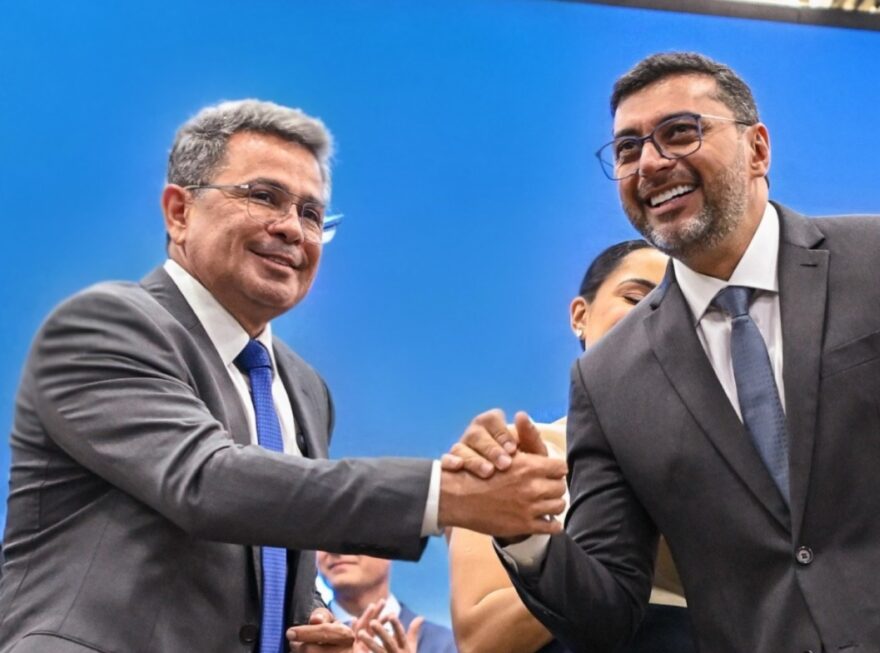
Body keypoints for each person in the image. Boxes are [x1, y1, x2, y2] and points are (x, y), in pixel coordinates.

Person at [487, 52, 880, 652]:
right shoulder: (606, 379)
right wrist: (523, 534)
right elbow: (606, 613)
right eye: (628, 149)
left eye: (679, 132)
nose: (651, 163)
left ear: (758, 149)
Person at [0, 99, 566, 653]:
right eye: (263, 196)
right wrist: (446, 494)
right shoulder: (104, 326)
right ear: (179, 212)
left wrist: (311, 624)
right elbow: (207, 483)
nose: (293, 228)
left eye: (312, 214)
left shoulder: (304, 388)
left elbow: (275, 537)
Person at [449, 240, 696, 653]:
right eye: (634, 298)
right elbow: (483, 640)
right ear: (580, 315)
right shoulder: (513, 457)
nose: (656, 317)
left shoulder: (725, 463)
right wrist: (602, 561)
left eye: (682, 311)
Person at [317, 551, 457, 653]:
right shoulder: (306, 640)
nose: (335, 549)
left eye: (354, 531)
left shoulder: (448, 646)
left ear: (391, 543)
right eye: (324, 534)